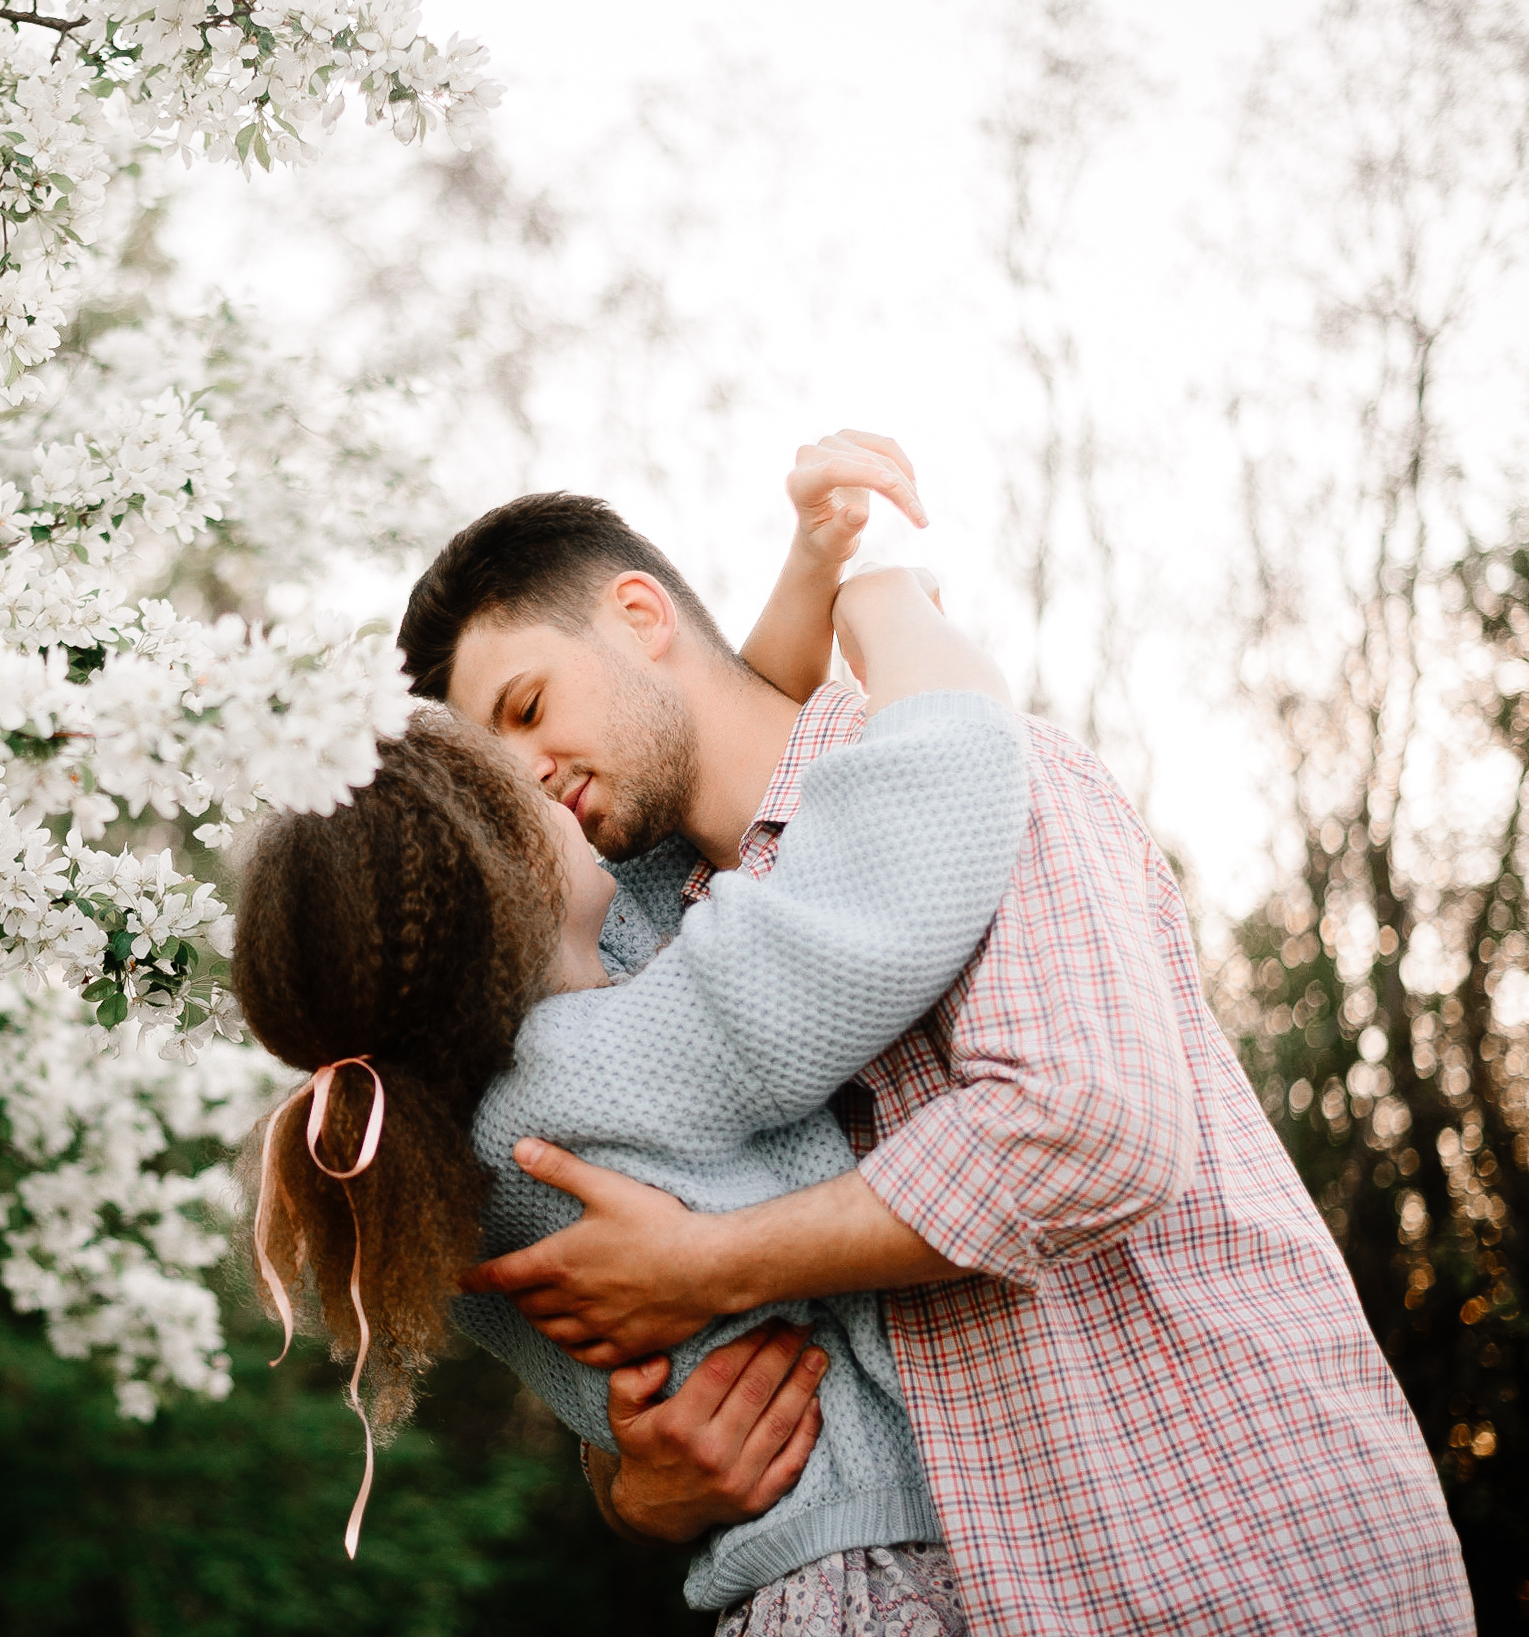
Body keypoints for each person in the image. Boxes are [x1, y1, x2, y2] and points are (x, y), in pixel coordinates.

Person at [405, 432, 1475, 1635]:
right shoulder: (630, 961)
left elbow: (1089, 1126)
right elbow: (603, 1323)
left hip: (1229, 1530)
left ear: (639, 613)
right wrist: (639, 1475)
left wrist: (705, 1261)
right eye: (495, 764)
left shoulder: (962, 771)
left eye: (528, 706)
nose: (529, 775)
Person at [231, 565, 1025, 1628]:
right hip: (885, 1573)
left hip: (801, 1575)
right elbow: (876, 888)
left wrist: (783, 595)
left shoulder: (449, 1121)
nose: (559, 793)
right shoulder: (587, 1074)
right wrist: (895, 618)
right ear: (505, 883)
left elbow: (686, 809)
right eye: (524, 797)